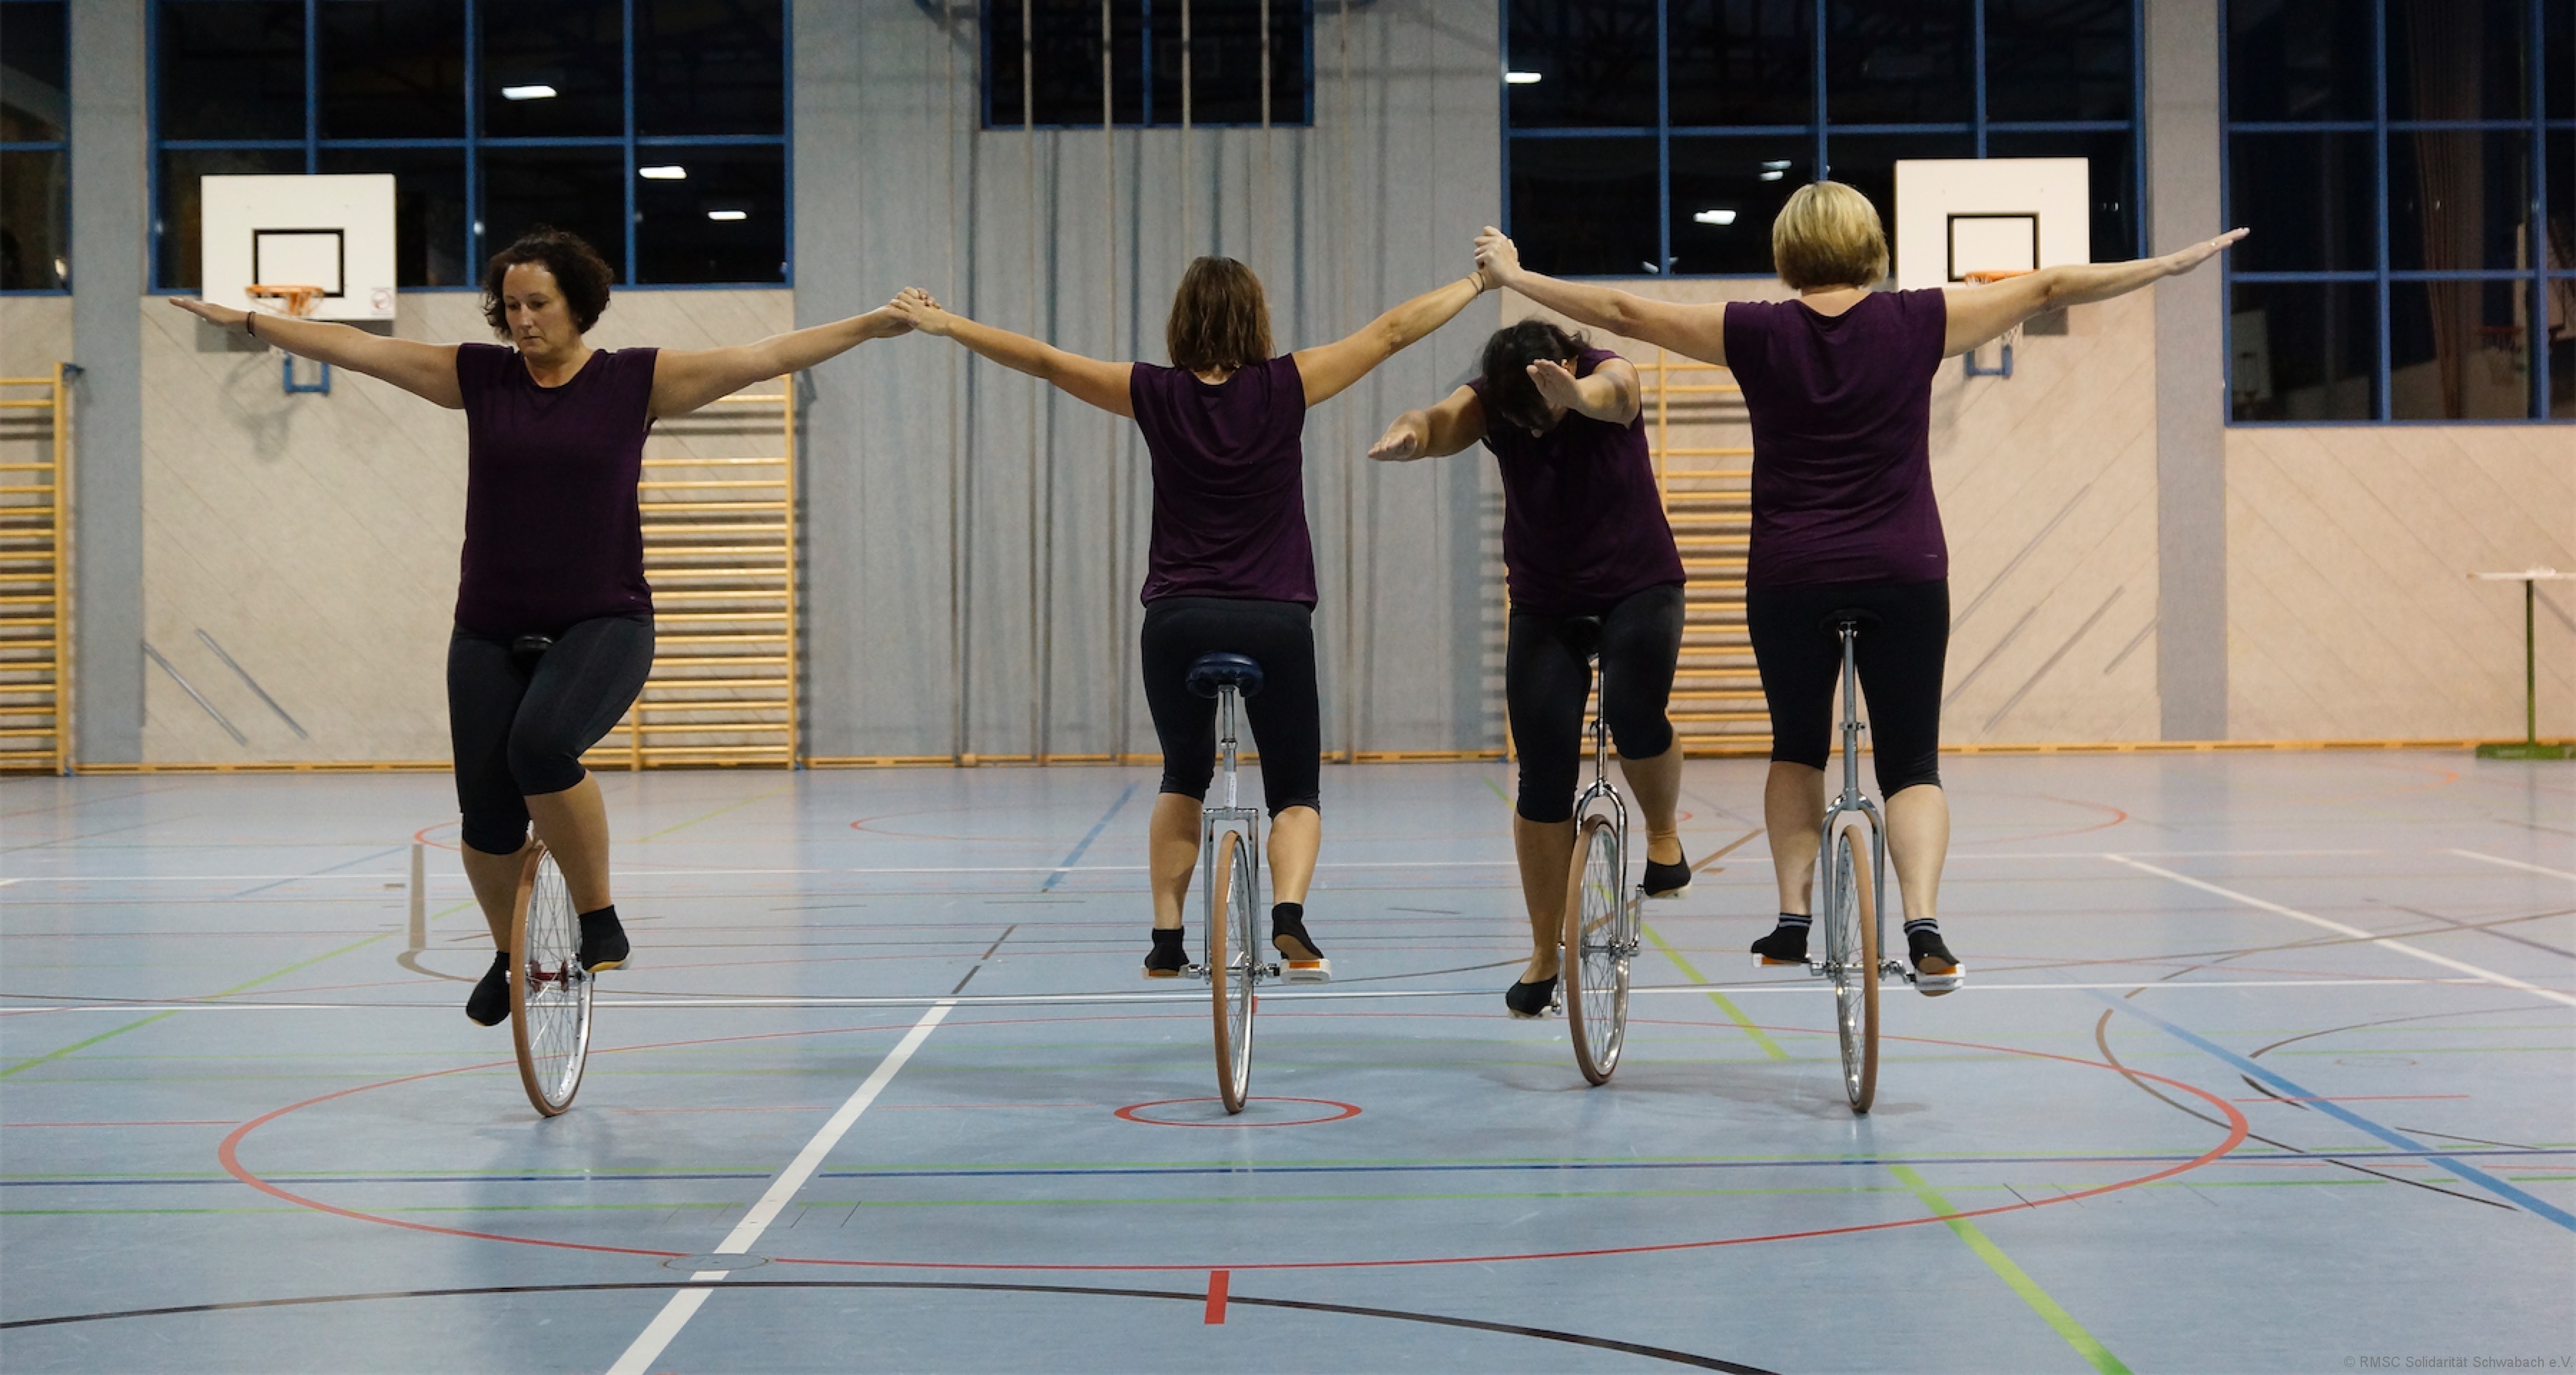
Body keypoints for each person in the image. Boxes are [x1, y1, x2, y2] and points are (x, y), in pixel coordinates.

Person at [1475, 190, 2245, 994]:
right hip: (1904, 569)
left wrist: (1519, 277)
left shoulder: (1757, 331)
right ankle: (1925, 927)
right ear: (1873, 247)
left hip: (1791, 576)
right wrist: (2167, 265)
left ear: (1787, 254)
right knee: (1911, 764)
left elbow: (1624, 311)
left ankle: (1791, 920)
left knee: (1797, 748)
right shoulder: (1919, 320)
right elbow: (2051, 286)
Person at [172, 227, 916, 1027]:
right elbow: (360, 349)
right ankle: (508, 953)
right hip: (487, 626)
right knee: (487, 816)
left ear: (578, 304)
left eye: (539, 304)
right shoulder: (479, 376)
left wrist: (873, 323)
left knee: (540, 746)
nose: (522, 320)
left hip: (604, 620)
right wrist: (253, 321)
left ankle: (598, 913)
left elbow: (765, 356)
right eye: (511, 306)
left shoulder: (637, 381)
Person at [892, 255, 1491, 982]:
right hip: (1274, 617)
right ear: (1257, 319)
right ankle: (1289, 917)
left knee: (1183, 773)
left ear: (1180, 322)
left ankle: (1167, 939)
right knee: (1294, 790)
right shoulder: (1289, 383)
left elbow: (1045, 361)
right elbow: (1392, 332)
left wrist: (948, 324)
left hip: (1177, 619)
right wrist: (1476, 284)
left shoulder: (1151, 391)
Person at [1370, 319, 1691, 1018]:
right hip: (1547, 603)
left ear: (1568, 363)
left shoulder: (1604, 371)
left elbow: (1616, 395)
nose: (1537, 433)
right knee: (1542, 777)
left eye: (1543, 417)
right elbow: (1441, 420)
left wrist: (1575, 396)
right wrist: (1411, 434)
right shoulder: (1499, 399)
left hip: (1639, 586)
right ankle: (1546, 952)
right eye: (1524, 425)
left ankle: (1664, 835)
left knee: (1634, 711)